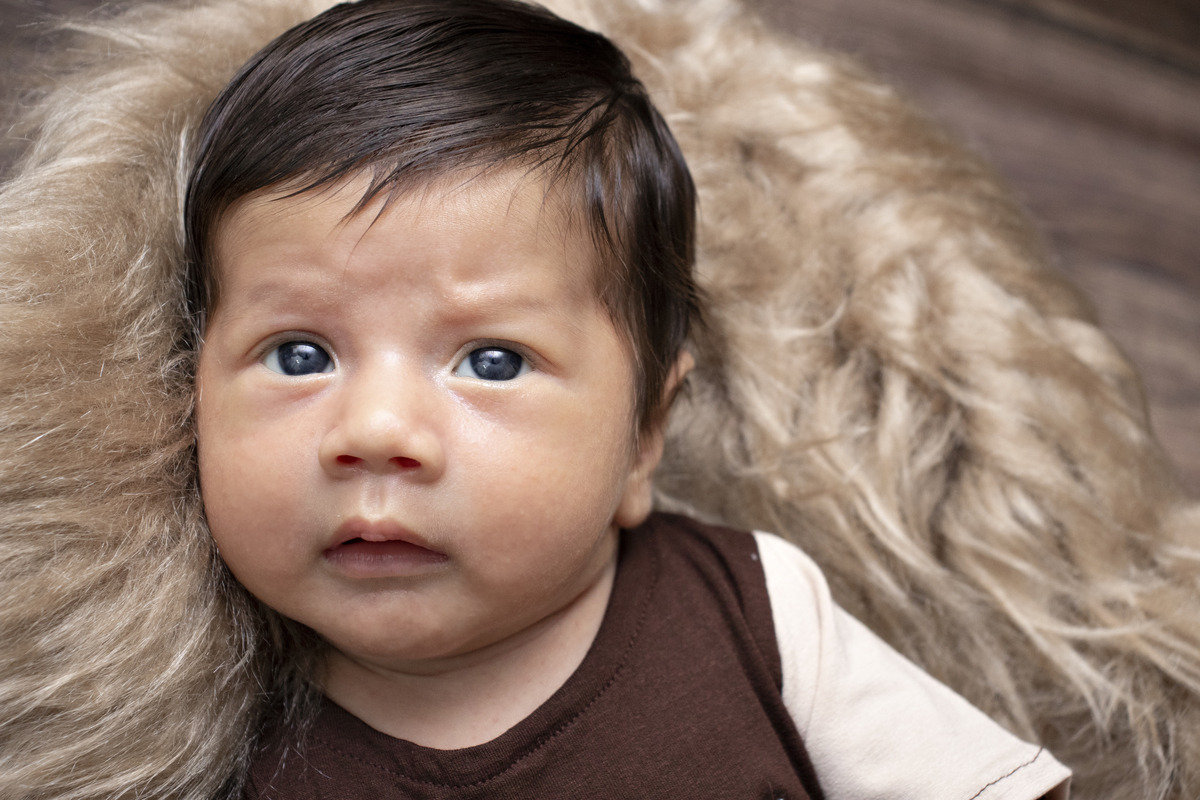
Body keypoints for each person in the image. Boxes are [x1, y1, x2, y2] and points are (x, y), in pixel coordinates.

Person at [5, 0, 1199, 798]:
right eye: (300, 353)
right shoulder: (211, 736)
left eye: (491, 361)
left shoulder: (755, 608)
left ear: (644, 440)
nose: (374, 432)